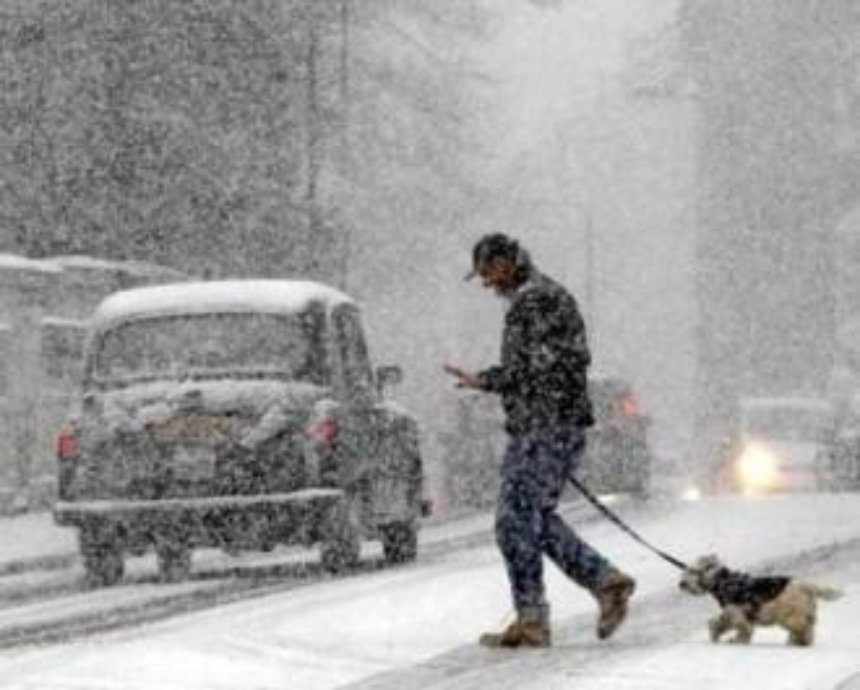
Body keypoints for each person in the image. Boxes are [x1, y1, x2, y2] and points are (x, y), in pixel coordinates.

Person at [444, 233, 636, 648]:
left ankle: (535, 617)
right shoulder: (543, 297)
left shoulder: (534, 301)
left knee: (513, 521)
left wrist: (489, 380)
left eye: (487, 272)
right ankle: (603, 582)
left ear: (508, 262)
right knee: (534, 519)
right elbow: (550, 364)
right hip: (553, 425)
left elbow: (535, 369)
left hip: (543, 427)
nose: (485, 283)